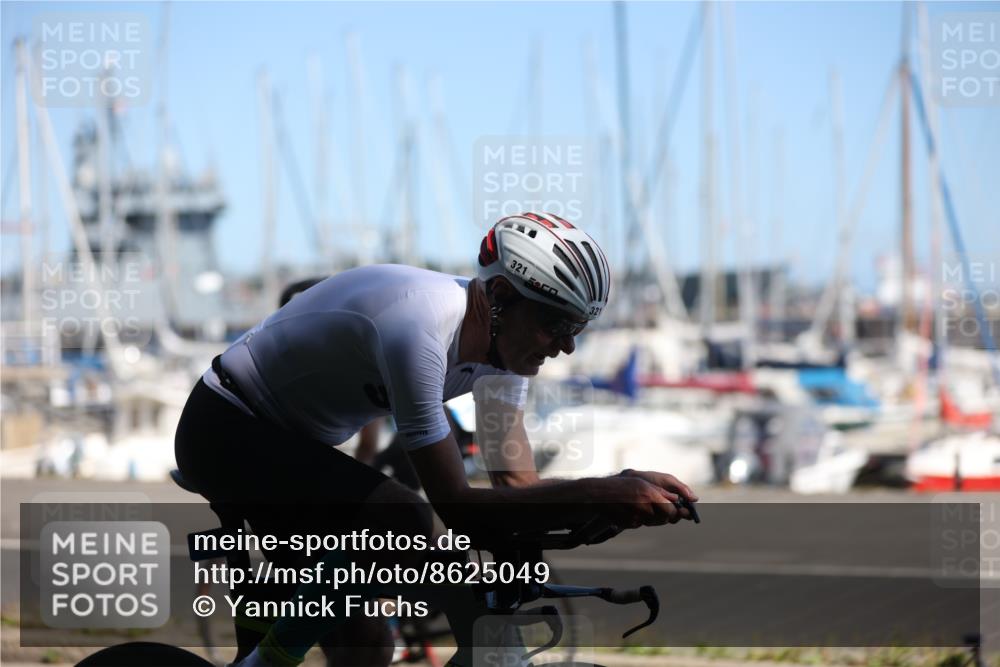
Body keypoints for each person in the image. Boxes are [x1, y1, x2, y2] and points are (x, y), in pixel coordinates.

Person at [174, 212, 699, 667]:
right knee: (401, 516)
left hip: (293, 446)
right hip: (225, 427)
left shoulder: (504, 355)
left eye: (577, 329)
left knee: (369, 644)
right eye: (556, 324)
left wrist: (602, 504)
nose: (566, 348)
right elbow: (457, 507)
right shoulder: (418, 325)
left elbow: (516, 486)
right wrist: (599, 492)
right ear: (500, 296)